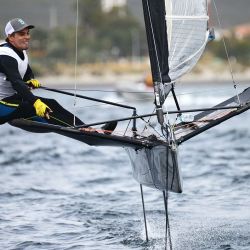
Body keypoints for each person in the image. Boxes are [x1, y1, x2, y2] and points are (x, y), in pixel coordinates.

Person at [0, 18, 117, 133]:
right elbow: (16, 82)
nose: (27, 37)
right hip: (2, 104)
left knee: (52, 103)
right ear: (11, 37)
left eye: (27, 33)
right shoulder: (5, 55)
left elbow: (26, 72)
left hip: (12, 99)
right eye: (21, 34)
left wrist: (31, 79)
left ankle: (87, 129)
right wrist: (35, 102)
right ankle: (84, 131)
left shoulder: (21, 51)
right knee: (34, 107)